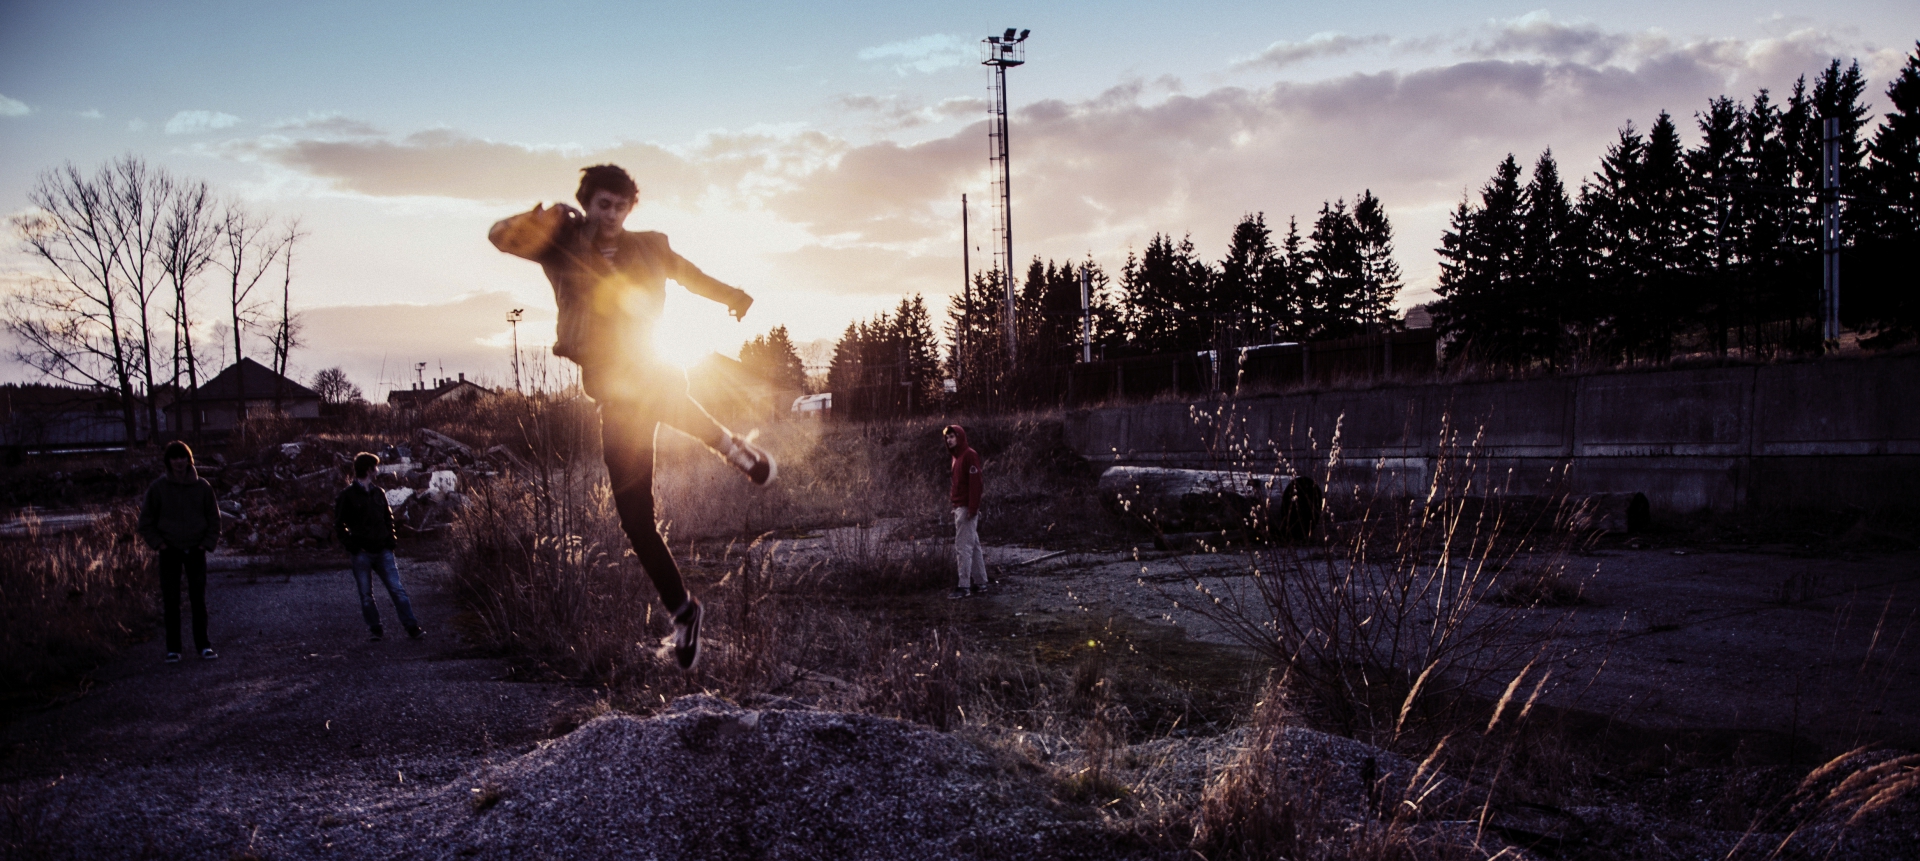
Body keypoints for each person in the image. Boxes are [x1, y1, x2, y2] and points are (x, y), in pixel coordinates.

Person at [488, 164, 775, 670]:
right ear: (587, 203)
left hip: (650, 368)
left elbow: (689, 275)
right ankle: (684, 611)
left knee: (656, 389)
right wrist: (539, 217)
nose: (613, 215)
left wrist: (732, 295)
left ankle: (731, 447)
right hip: (612, 392)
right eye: (604, 205)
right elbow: (499, 236)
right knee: (636, 520)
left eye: (621, 207)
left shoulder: (650, 246)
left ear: (631, 208)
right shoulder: (560, 244)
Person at [137, 441, 220, 663]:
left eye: (182, 457)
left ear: (189, 459)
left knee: (198, 600)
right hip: (169, 550)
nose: (179, 462)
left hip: (195, 550)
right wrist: (160, 544)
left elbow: (214, 519)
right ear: (168, 461)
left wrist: (205, 544)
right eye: (174, 458)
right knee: (171, 601)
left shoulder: (203, 487)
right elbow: (145, 522)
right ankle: (173, 649)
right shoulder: (158, 488)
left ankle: (204, 646)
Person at [334, 453, 424, 642]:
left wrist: (391, 540)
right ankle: (375, 630)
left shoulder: (378, 493)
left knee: (397, 590)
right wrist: (353, 547)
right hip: (362, 554)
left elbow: (388, 518)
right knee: (366, 595)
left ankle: (412, 627)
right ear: (369, 470)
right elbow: (339, 525)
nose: (377, 470)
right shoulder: (347, 496)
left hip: (383, 551)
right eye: (375, 466)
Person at [943, 425, 986, 599]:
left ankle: (964, 586)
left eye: (952, 436)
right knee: (973, 546)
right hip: (960, 507)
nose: (949, 440)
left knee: (963, 547)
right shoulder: (956, 457)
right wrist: (955, 506)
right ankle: (981, 582)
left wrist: (972, 508)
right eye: (947, 437)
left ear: (960, 437)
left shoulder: (969, 455)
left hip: (966, 508)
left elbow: (976, 484)